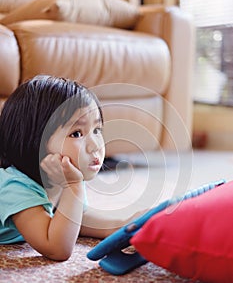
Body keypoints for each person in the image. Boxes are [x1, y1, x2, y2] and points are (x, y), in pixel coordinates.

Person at [0, 75, 143, 261]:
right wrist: (73, 186)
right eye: (76, 133)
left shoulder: (66, 176)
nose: (95, 145)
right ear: (34, 141)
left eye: (97, 130)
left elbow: (73, 220)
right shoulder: (14, 187)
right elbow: (56, 248)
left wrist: (124, 225)